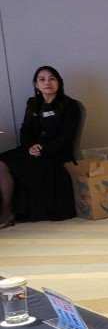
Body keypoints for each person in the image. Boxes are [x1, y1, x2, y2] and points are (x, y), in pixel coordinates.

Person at [0, 66, 82, 224]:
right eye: (42, 79)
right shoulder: (33, 104)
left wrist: (43, 149)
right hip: (33, 149)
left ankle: (9, 214)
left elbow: (66, 137)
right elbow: (25, 131)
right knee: (2, 162)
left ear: (59, 82)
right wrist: (30, 147)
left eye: (52, 78)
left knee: (28, 165)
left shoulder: (70, 105)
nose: (47, 83)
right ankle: (6, 211)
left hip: (57, 151)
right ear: (36, 85)